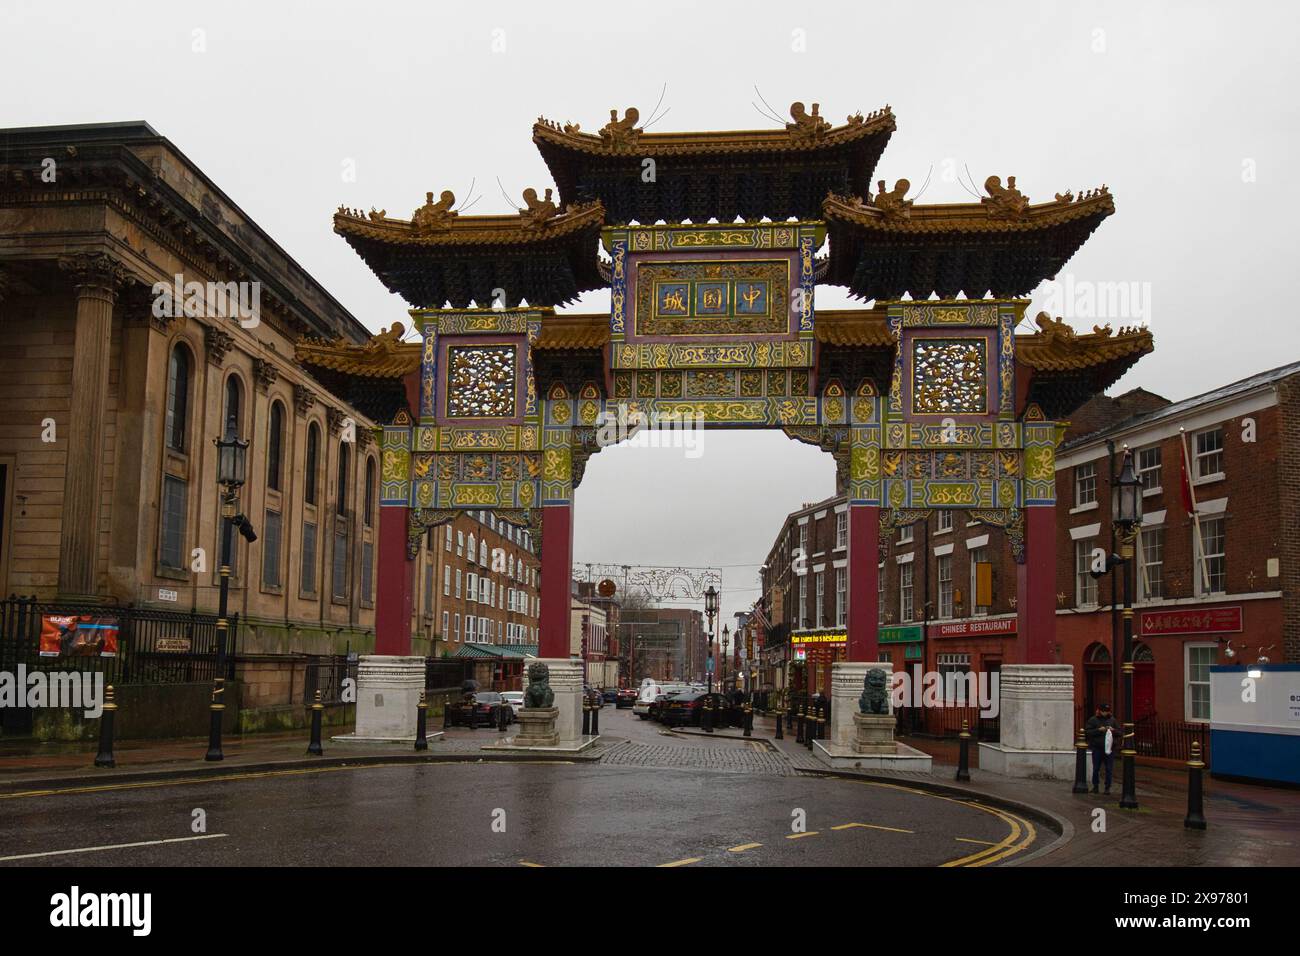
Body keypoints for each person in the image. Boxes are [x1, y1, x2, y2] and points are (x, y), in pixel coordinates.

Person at [1084, 703, 1121, 794]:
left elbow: (1120, 732)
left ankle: (1107, 788)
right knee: (1096, 768)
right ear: (1099, 711)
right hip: (1097, 748)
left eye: (1107, 711)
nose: (1105, 713)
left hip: (1109, 749)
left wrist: (1113, 730)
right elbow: (1088, 732)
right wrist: (1098, 730)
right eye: (1103, 711)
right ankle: (1095, 786)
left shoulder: (1113, 720)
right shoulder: (1093, 720)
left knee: (1109, 769)